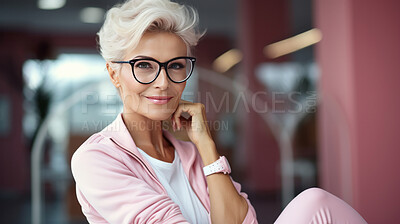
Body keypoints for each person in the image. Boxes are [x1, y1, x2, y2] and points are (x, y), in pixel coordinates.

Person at [71, 0, 368, 223]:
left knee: (316, 201)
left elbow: (244, 222)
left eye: (175, 66)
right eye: (144, 66)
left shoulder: (192, 153)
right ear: (113, 74)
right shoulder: (96, 158)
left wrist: (206, 146)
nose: (163, 83)